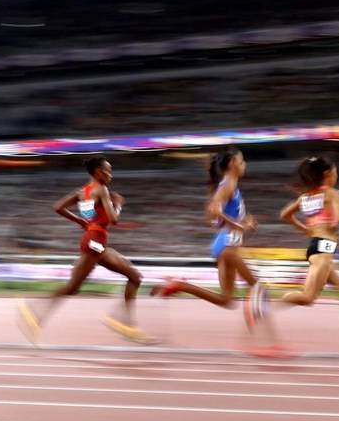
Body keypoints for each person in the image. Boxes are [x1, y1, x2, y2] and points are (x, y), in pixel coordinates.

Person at [257, 156, 339, 354]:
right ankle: (262, 303)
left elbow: (285, 214)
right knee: (308, 298)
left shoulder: (306, 197)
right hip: (323, 250)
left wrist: (307, 229)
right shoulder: (332, 193)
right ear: (327, 174)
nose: (336, 177)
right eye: (335, 173)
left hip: (318, 247)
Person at [151, 147, 282, 350]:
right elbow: (214, 210)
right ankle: (270, 343)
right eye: (242, 161)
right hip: (227, 246)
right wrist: (239, 225)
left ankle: (179, 285)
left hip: (225, 244)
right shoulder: (227, 186)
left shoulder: (231, 187)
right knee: (259, 288)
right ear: (232, 163)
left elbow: (216, 215)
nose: (245, 164)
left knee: (226, 299)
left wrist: (243, 221)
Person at [17, 157, 151, 346]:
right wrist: (119, 203)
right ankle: (32, 310)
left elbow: (58, 207)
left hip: (94, 241)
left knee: (135, 277)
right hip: (95, 242)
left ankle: (126, 323)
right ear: (98, 171)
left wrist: (80, 221)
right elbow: (114, 220)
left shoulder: (82, 192)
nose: (110, 175)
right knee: (72, 287)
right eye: (108, 171)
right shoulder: (102, 190)